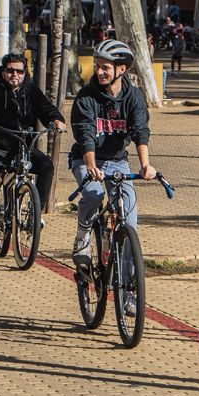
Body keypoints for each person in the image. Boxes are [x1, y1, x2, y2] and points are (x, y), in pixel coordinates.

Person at [69, 40, 156, 270]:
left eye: (105, 67)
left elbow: (140, 131)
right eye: (98, 66)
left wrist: (146, 165)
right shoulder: (87, 96)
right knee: (94, 194)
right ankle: (83, 236)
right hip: (86, 158)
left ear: (121, 69)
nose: (99, 72)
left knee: (130, 221)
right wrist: (90, 165)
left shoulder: (134, 97)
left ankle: (128, 290)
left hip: (117, 161)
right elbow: (85, 133)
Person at [0, 55, 66, 237]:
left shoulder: (32, 91)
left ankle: (35, 211)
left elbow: (46, 108)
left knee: (46, 166)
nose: (15, 74)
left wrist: (56, 120)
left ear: (25, 73)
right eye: (11, 70)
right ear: (4, 72)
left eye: (19, 71)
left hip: (24, 145)